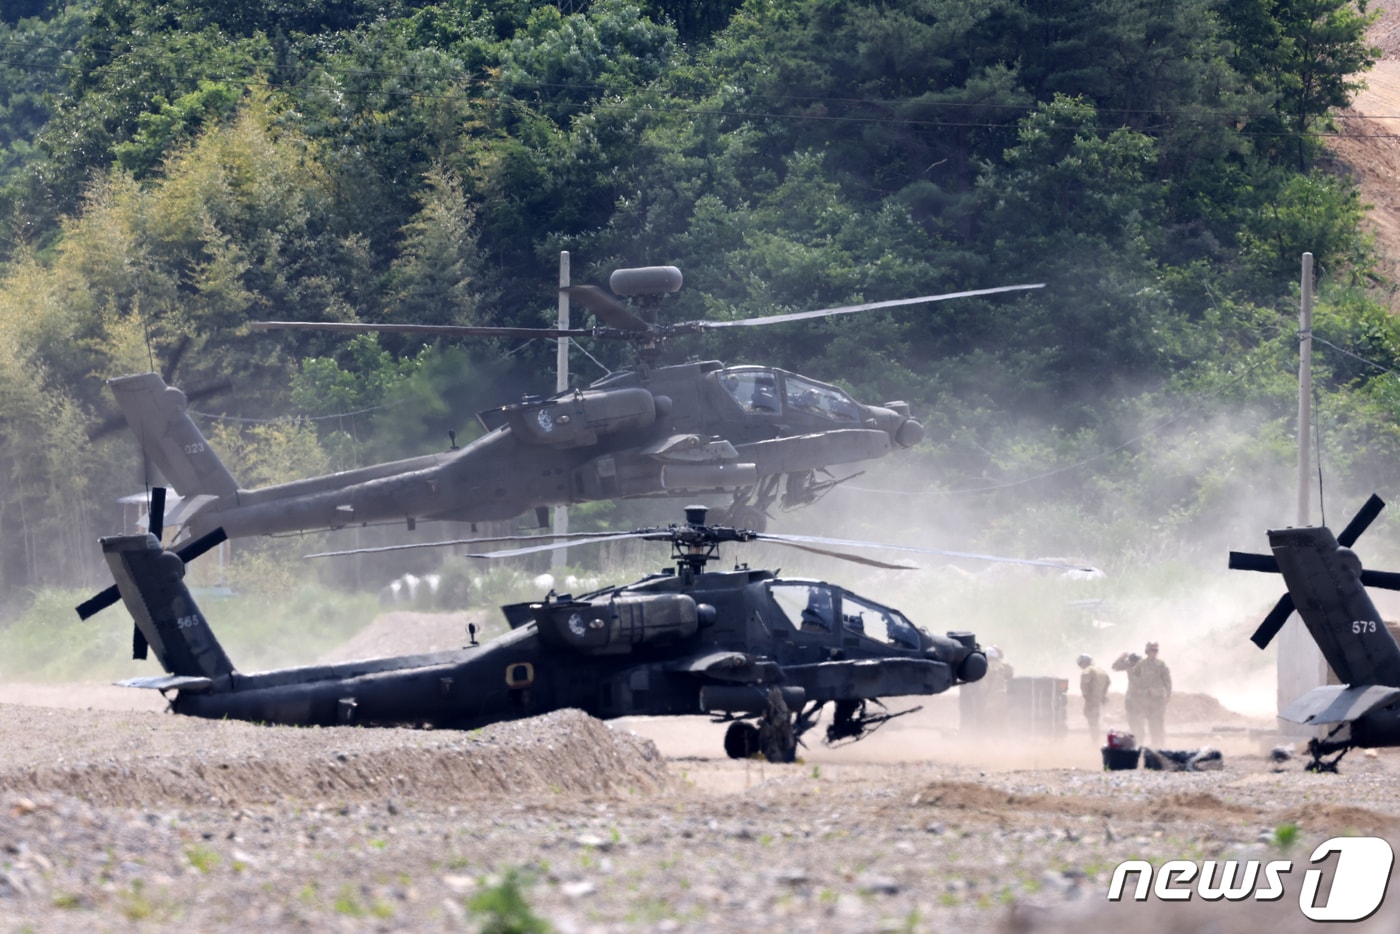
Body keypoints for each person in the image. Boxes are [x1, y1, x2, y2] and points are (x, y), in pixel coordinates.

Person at [1113, 642, 1172, 747]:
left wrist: (1167, 694)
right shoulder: (1137, 665)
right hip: (1137, 700)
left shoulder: (1157, 665)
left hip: (1150, 699)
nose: (1153, 653)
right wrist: (1121, 658)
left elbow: (1166, 680)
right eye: (1151, 650)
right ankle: (1139, 745)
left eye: (1155, 650)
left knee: (1156, 725)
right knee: (1137, 725)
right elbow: (1115, 667)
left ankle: (1158, 746)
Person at [1077, 654, 1111, 743]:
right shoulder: (1100, 670)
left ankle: (1095, 740)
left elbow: (1084, 684)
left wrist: (1086, 695)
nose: (1081, 666)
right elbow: (1108, 681)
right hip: (1098, 698)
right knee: (1094, 717)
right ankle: (1095, 738)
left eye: (1081, 664)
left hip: (1091, 698)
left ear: (1084, 663)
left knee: (1091, 718)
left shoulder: (1088, 670)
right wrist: (1103, 694)